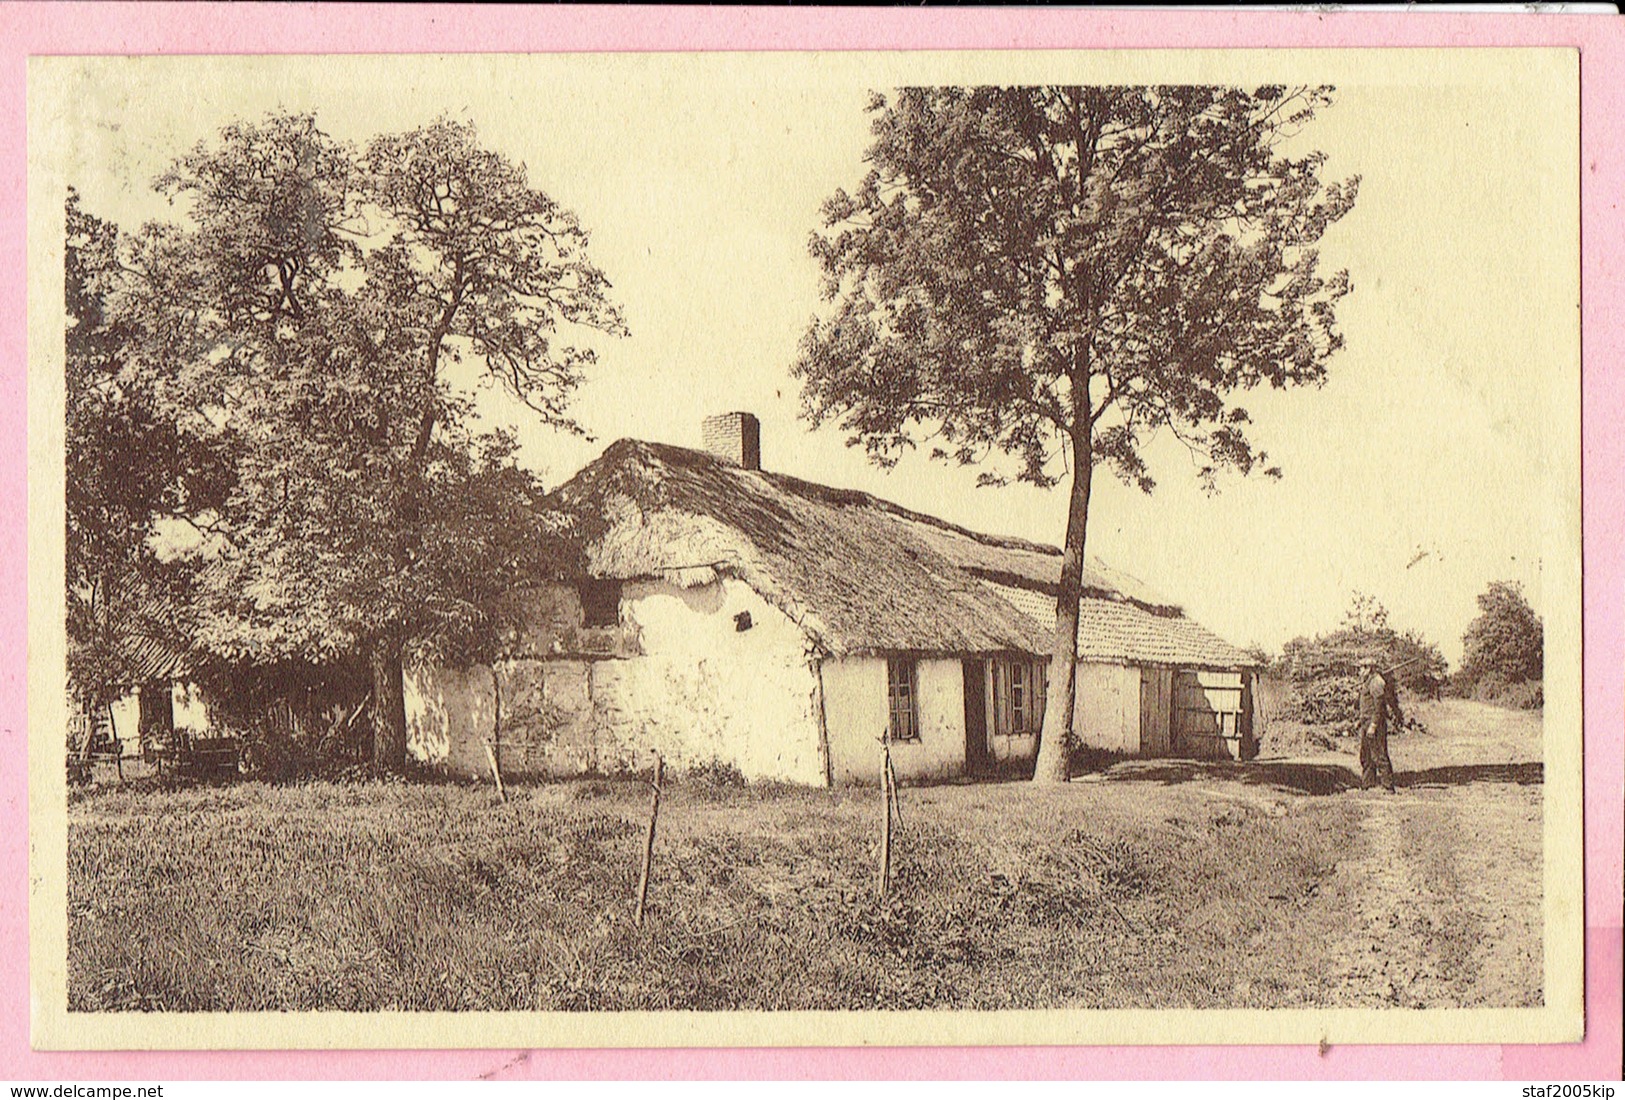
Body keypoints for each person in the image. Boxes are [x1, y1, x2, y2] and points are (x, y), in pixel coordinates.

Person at [1357, 659, 1402, 792]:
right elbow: (1366, 704)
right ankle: (1367, 785)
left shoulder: (1376, 682)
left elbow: (1379, 707)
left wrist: (1373, 724)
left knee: (1379, 754)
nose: (1359, 671)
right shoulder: (1368, 682)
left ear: (1369, 668)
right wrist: (1360, 721)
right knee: (1366, 755)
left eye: (1361, 668)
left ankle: (1388, 787)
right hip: (1366, 722)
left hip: (1374, 723)